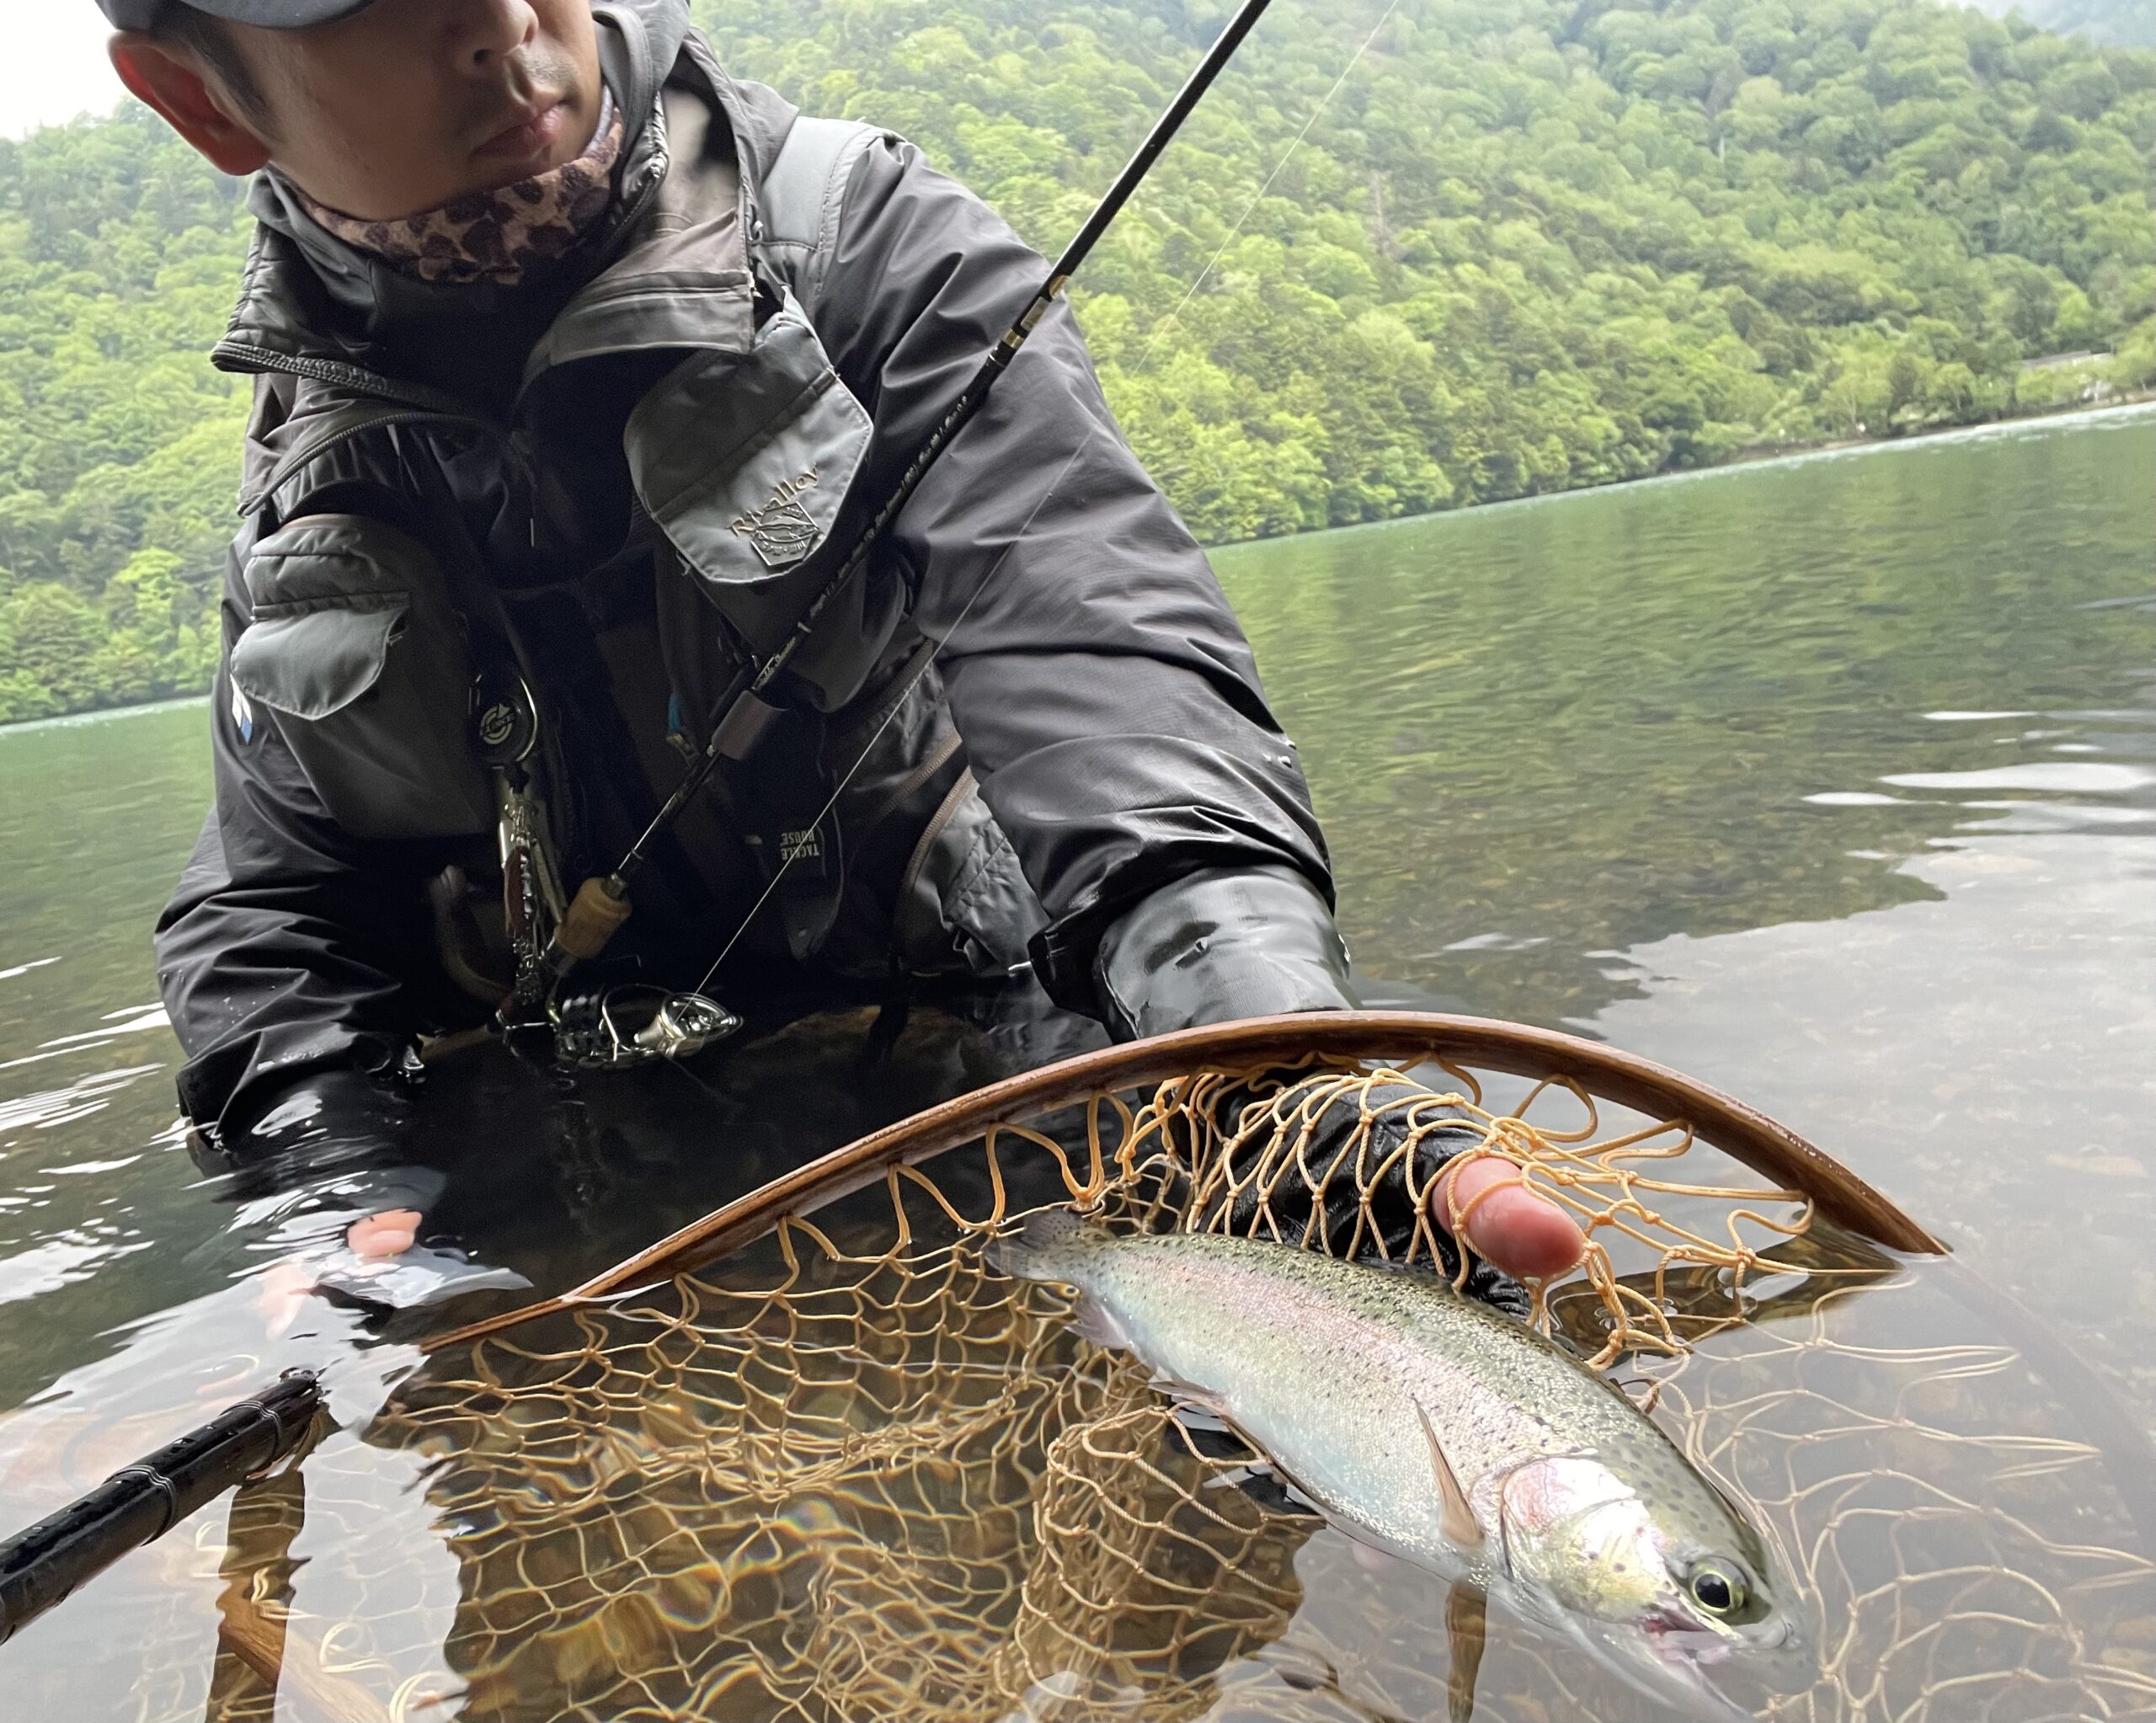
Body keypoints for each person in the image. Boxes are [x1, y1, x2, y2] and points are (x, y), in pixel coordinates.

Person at [103, 0, 1585, 1304]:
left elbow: (1099, 650)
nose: (498, 22)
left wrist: (1257, 1035)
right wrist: (321, 1156)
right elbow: (268, 899)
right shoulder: (310, 472)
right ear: (200, 98)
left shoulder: (866, 244)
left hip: (981, 1054)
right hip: (608, 1180)